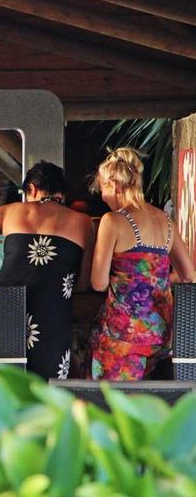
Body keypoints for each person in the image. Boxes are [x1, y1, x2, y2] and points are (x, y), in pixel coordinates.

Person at [0, 161, 94, 379]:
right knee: (47, 396)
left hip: (6, 316)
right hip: (53, 319)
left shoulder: (11, 212)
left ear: (31, 189)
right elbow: (83, 283)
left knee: (5, 391)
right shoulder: (83, 222)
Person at [89, 147, 195, 380]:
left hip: (124, 335)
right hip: (161, 333)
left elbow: (98, 282)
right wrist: (153, 281)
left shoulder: (113, 220)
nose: (103, 198)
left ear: (114, 185)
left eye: (103, 189)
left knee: (112, 406)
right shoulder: (166, 221)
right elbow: (188, 275)